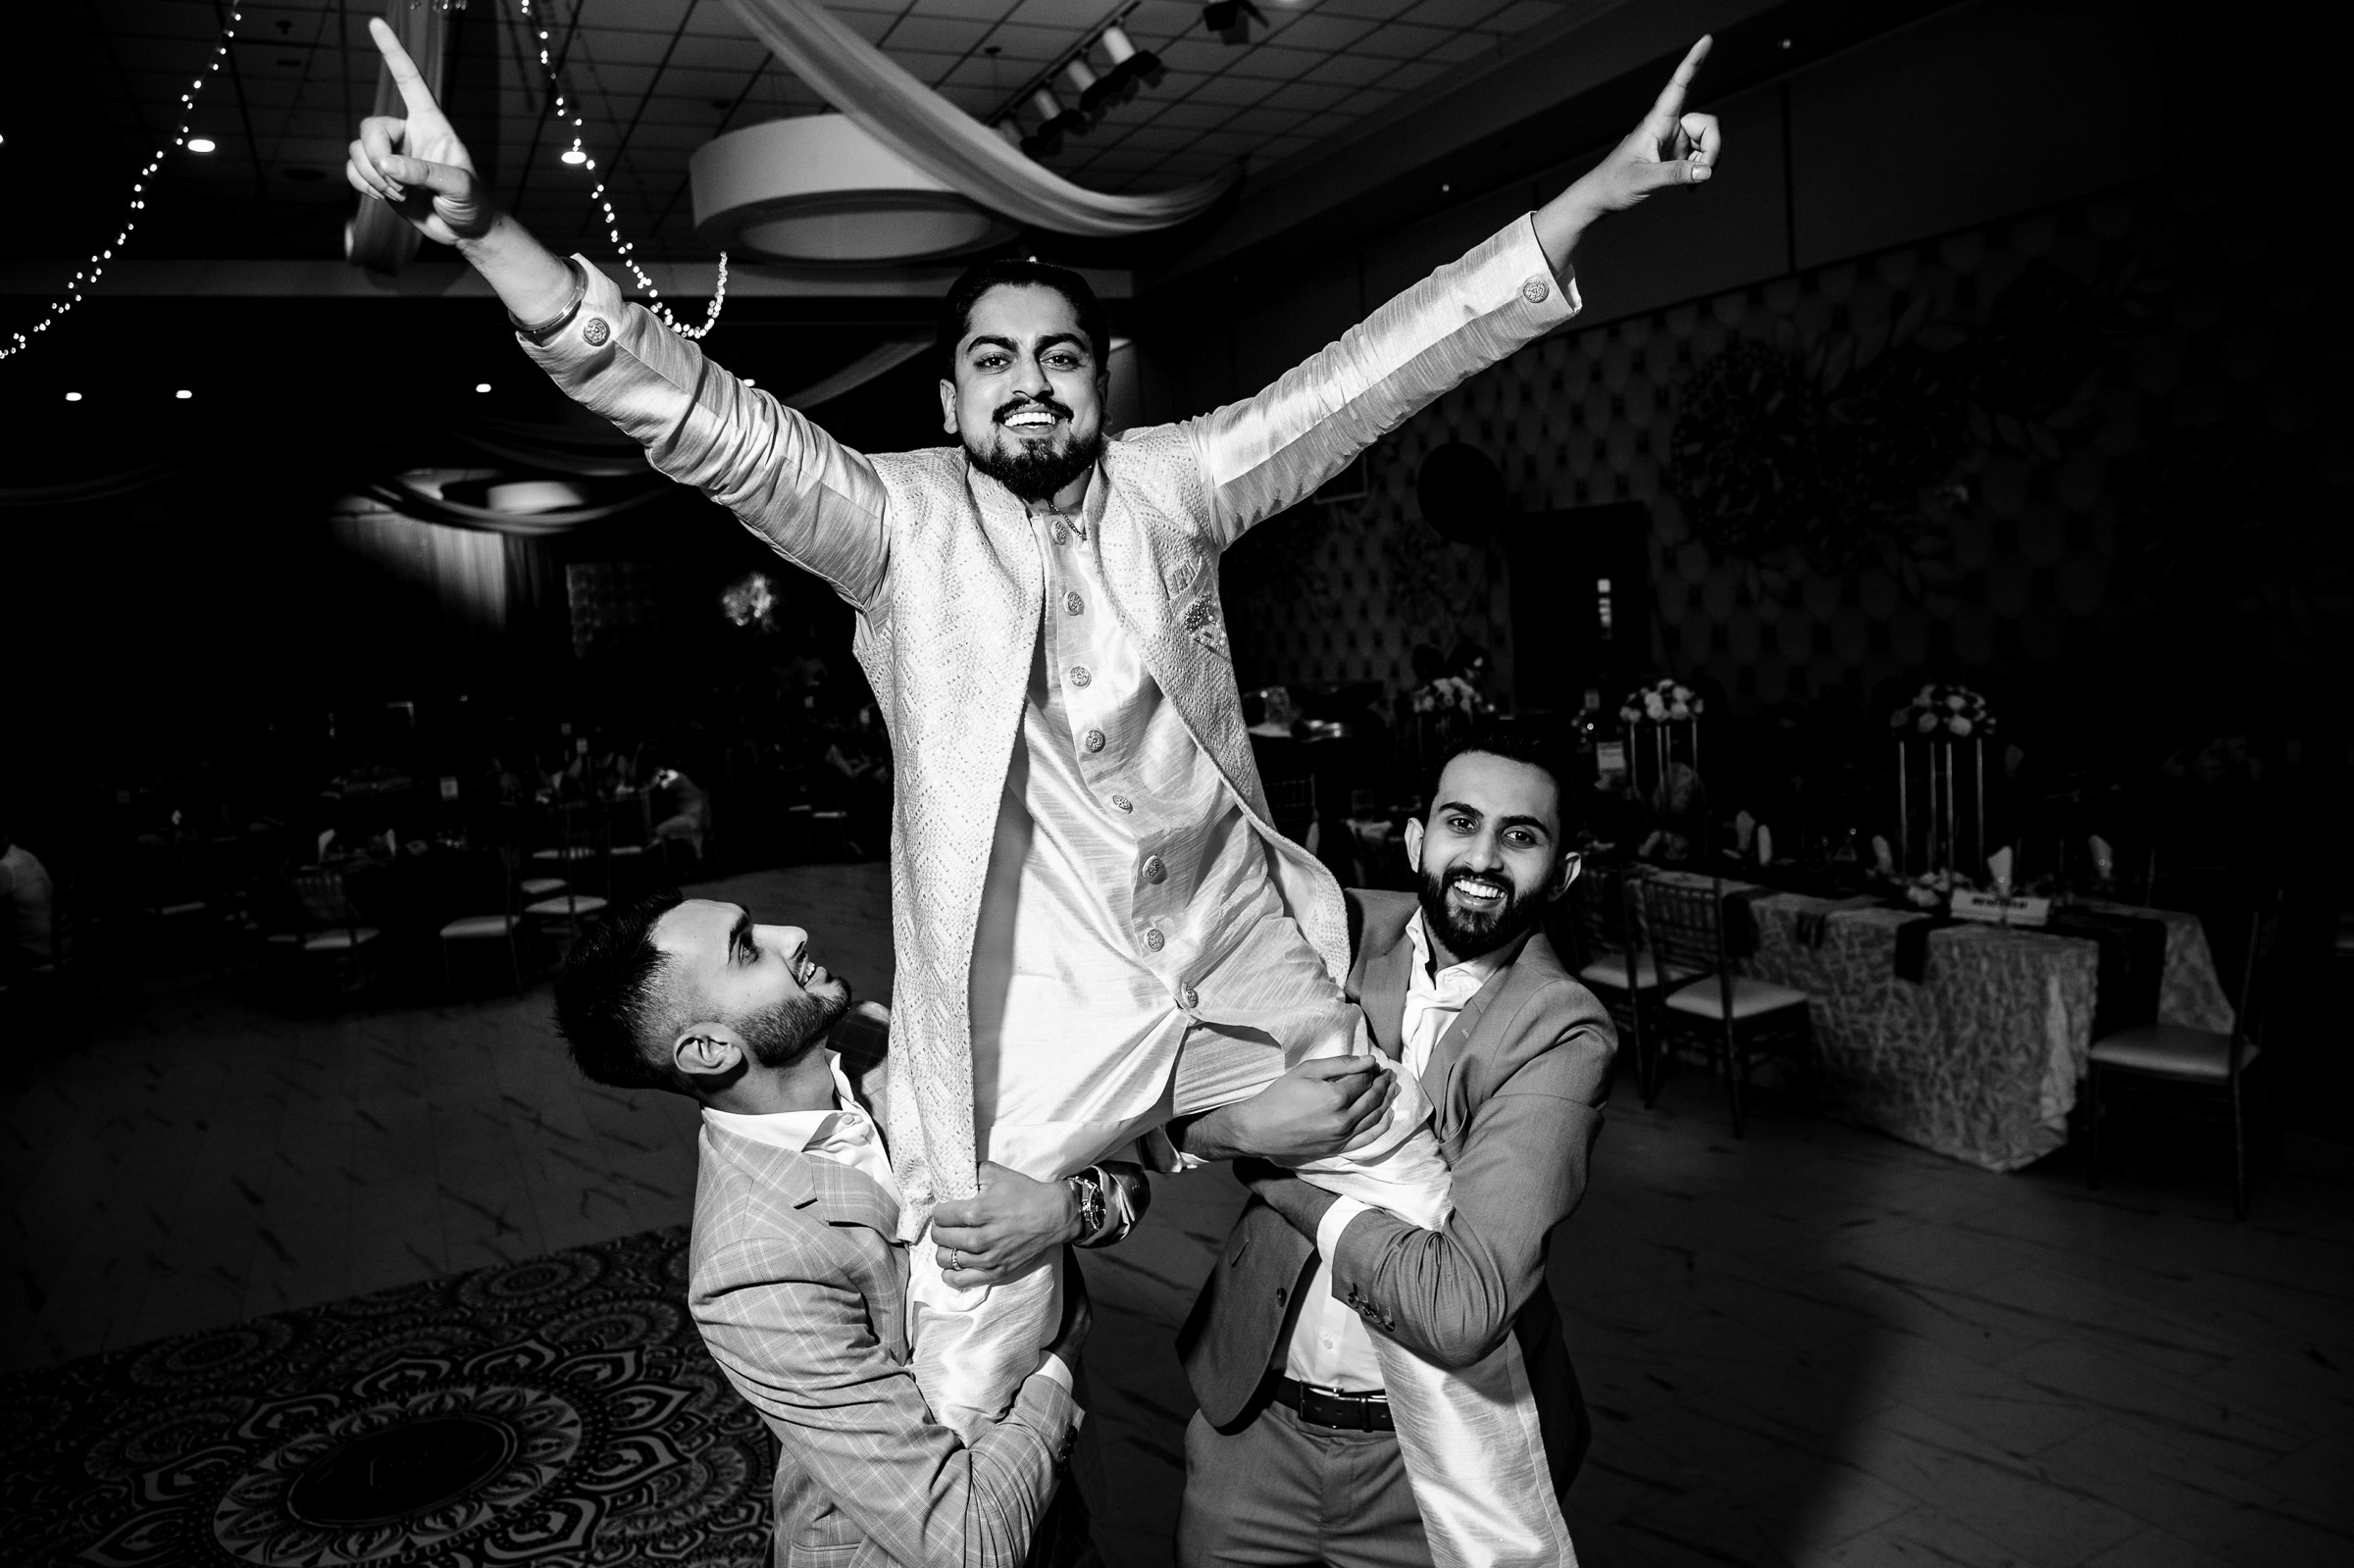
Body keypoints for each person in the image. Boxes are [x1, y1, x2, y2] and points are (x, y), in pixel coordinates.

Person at [348, 24, 1719, 1559]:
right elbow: (687, 404)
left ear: (1097, 379)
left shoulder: (1178, 485)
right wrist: (483, 228)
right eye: (993, 360)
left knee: (1410, 1212)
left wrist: (1591, 198)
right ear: (949, 399)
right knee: (970, 1334)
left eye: (1058, 355)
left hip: (1242, 951)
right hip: (1031, 1012)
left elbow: (1371, 373)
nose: (1029, 383)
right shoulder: (893, 526)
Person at [551, 889, 1111, 1566]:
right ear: (707, 1048)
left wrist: (1070, 1209)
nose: (795, 931)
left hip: (1053, 1514)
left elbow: (1109, 1153)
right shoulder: (749, 1264)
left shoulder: (875, 1039)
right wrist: (1060, 1363)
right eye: (748, 948)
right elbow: (970, 1543)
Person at [1175, 733, 1617, 1566]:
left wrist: (1280, 1173)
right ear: (1418, 839)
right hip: (1251, 1426)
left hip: (1430, 1464)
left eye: (1520, 836)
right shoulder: (1323, 930)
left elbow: (1462, 1306)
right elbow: (1168, 1094)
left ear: (1563, 873)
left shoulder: (1564, 1028)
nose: (1482, 856)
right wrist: (1232, 1129)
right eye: (1461, 821)